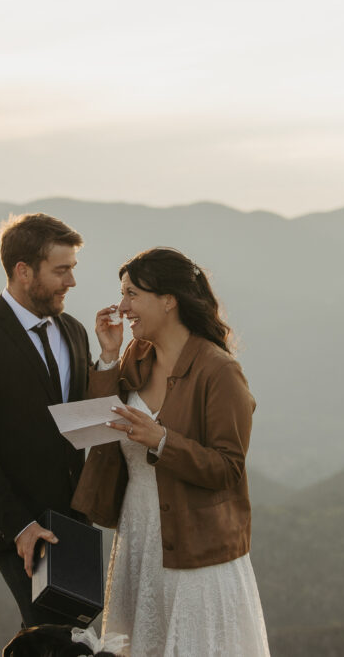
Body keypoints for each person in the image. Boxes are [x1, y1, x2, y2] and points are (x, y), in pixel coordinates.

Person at [72, 247, 271, 656]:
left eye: (132, 294)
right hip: (137, 541)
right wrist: (109, 356)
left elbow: (229, 467)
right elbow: (101, 428)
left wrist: (162, 441)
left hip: (195, 555)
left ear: (168, 300)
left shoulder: (220, 371)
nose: (122, 307)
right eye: (122, 294)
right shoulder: (135, 355)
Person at [0, 213, 94, 629]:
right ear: (23, 271)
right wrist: (21, 527)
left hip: (75, 523)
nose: (71, 282)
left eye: (72, 270)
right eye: (61, 270)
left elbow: (77, 424)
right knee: (53, 638)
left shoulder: (76, 333)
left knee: (72, 639)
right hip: (21, 527)